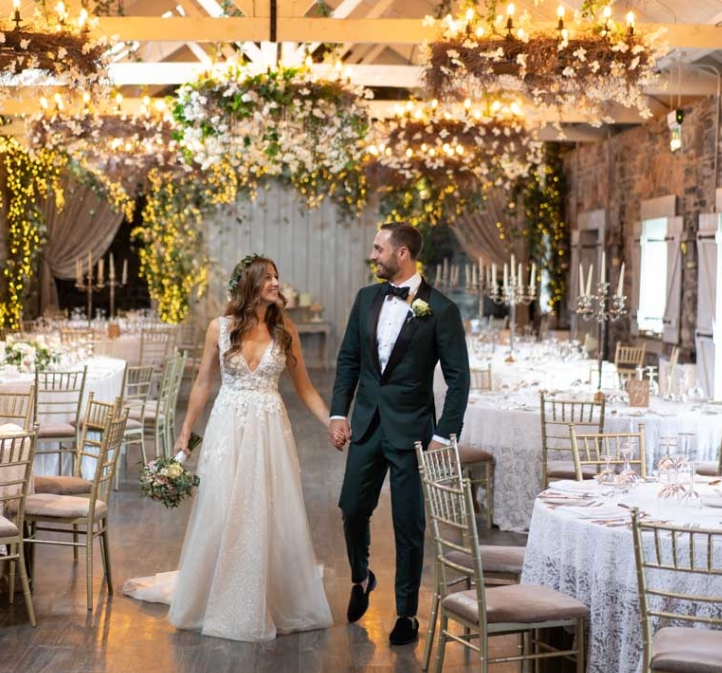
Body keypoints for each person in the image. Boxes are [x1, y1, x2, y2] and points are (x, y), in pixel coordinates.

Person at [123, 254, 333, 642]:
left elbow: (305, 389)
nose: (275, 283)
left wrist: (333, 422)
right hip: (226, 429)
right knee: (223, 506)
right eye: (268, 277)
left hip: (270, 429)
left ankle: (261, 593)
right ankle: (217, 590)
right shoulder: (219, 328)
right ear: (250, 283)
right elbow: (203, 383)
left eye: (276, 276)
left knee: (265, 508)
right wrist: (185, 432)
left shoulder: (286, 330)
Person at [328, 222, 470, 646]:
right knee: (352, 508)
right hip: (367, 426)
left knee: (408, 526)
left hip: (413, 433)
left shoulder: (441, 310)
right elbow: (349, 360)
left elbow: (458, 379)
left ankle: (407, 613)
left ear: (402, 253)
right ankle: (361, 576)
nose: (373, 256)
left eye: (378, 248)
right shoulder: (366, 298)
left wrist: (444, 435)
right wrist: (339, 413)